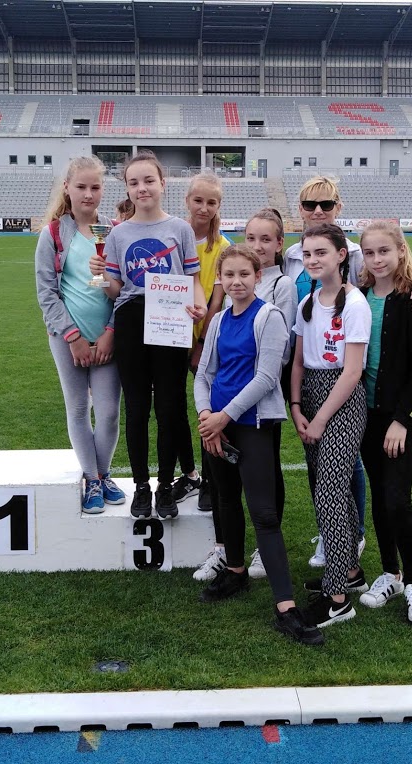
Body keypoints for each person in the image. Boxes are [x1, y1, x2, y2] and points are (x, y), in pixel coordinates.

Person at [284, 175, 412, 568]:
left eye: (326, 204)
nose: (318, 211)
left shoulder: (361, 267)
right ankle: (348, 544)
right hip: (329, 383)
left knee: (371, 485)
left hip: (361, 390)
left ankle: (369, 553)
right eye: (310, 204)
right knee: (331, 474)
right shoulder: (296, 259)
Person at [194, 244, 323, 646]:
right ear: (221, 279)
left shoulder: (269, 317)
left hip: (251, 425)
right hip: (217, 426)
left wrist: (223, 417)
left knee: (264, 514)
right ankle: (235, 572)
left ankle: (286, 607)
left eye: (244, 275)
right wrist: (206, 417)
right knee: (226, 500)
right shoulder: (218, 320)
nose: (236, 282)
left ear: (257, 277)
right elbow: (203, 374)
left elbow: (267, 377)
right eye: (229, 275)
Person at [90, 150, 207, 519]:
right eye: (134, 182)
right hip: (130, 321)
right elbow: (115, 290)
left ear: (162, 183)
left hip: (170, 319)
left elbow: (192, 279)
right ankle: (141, 485)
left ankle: (166, 486)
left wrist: (200, 305)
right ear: (127, 188)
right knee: (137, 408)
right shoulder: (118, 234)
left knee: (170, 408)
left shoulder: (180, 229)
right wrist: (100, 276)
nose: (142, 188)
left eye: (148, 180)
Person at [194, 208, 297, 584]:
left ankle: (268, 564)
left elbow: (275, 362)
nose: (257, 245)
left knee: (264, 488)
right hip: (221, 410)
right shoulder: (226, 304)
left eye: (265, 239)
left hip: (256, 409)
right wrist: (209, 413)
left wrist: (228, 410)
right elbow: (209, 367)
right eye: (251, 237)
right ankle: (227, 555)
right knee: (223, 488)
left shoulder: (277, 293)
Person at [290, 223, 371, 629]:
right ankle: (351, 572)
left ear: (341, 255)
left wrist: (321, 418)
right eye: (307, 254)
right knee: (326, 490)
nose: (312, 260)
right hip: (311, 396)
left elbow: (352, 371)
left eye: (320, 252)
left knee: (330, 493)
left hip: (342, 401)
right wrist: (296, 406)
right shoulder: (308, 301)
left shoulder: (354, 303)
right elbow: (299, 361)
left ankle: (338, 598)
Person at [35, 155, 125, 514]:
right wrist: (72, 336)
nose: (89, 194)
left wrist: (110, 332)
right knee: (77, 408)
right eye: (82, 186)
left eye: (95, 187)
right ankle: (92, 478)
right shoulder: (54, 233)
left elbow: (125, 291)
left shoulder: (115, 231)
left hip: (107, 339)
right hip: (66, 339)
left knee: (109, 413)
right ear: (67, 188)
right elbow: (46, 292)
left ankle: (103, 474)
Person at [358, 222, 412, 623]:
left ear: (401, 251)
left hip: (398, 419)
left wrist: (402, 420)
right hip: (365, 416)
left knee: (397, 498)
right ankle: (390, 574)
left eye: (384, 251)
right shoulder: (358, 296)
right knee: (379, 495)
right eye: (370, 253)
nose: (377, 260)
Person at [173, 171, 229, 521]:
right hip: (169, 337)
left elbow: (217, 303)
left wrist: (202, 345)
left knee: (207, 410)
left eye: (211, 202)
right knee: (173, 410)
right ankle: (189, 474)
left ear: (218, 205)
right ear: (187, 201)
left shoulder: (223, 248)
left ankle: (210, 479)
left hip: (204, 344)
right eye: (198, 200)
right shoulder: (171, 237)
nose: (204, 208)